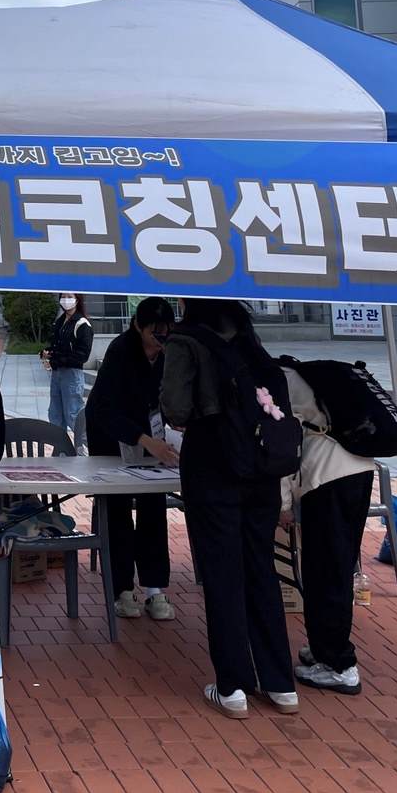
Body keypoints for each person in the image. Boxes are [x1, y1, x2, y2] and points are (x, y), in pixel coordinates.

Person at [162, 299, 297, 720]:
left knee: (223, 574)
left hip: (213, 464)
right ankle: (280, 684)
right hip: (263, 469)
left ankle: (233, 686)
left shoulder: (186, 341)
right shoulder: (249, 341)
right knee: (261, 569)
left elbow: (175, 408)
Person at [281, 365, 375, 696]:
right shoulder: (306, 373)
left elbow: (284, 446)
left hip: (326, 478)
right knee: (338, 566)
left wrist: (283, 504)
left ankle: (339, 665)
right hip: (360, 467)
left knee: (325, 571)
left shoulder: (278, 381)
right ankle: (324, 647)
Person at [85, 298, 179, 621]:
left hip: (149, 436)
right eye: (155, 332)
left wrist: (172, 427)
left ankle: (155, 588)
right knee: (118, 508)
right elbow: (104, 409)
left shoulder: (167, 353)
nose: (160, 339)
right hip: (111, 435)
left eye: (165, 331)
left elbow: (165, 398)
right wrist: (144, 440)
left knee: (154, 503)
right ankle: (122, 590)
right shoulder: (120, 351)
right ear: (138, 326)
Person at [43, 293, 92, 450]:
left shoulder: (82, 324)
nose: (66, 300)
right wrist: (47, 353)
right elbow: (57, 346)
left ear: (77, 299)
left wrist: (59, 360)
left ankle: (85, 449)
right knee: (55, 414)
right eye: (63, 296)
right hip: (57, 373)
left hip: (71, 374)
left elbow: (82, 356)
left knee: (73, 414)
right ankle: (60, 450)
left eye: (69, 296)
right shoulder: (60, 321)